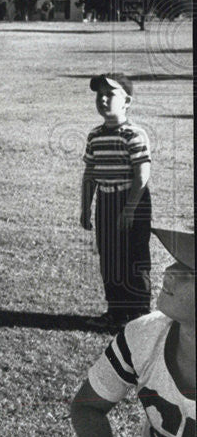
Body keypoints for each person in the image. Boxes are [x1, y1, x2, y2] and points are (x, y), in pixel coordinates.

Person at [70, 227, 195, 437]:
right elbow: (86, 408)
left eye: (189, 271)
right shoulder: (145, 335)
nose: (168, 272)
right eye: (175, 261)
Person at [80, 73, 153, 328]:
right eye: (99, 94)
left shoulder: (134, 134)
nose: (102, 99)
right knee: (110, 258)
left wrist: (130, 210)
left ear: (127, 101)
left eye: (110, 94)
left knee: (134, 258)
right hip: (106, 201)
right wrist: (85, 208)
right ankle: (116, 312)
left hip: (132, 199)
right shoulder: (95, 136)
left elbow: (142, 175)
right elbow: (89, 174)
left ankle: (139, 317)